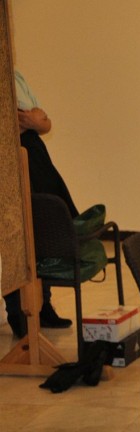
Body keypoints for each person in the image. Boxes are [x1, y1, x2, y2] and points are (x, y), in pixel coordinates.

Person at [4, 70, 78, 336]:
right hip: (9, 157)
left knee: (44, 230)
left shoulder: (15, 74)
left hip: (35, 155)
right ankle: (18, 313)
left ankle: (43, 305)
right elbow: (13, 120)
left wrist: (35, 121)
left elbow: (42, 121)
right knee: (16, 237)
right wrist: (30, 120)